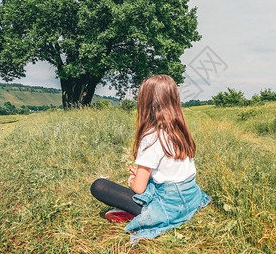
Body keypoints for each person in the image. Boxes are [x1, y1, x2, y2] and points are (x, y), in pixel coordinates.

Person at [90, 74, 211, 245]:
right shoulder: (179, 130)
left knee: (99, 186)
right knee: (144, 182)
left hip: (169, 205)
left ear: (146, 103)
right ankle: (141, 212)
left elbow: (139, 188)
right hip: (190, 198)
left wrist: (133, 179)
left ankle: (141, 215)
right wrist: (144, 173)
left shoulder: (152, 136)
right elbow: (170, 171)